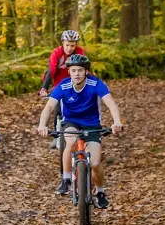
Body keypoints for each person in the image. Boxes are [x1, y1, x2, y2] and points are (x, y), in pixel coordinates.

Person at [36, 53, 124, 207]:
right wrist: (42, 125)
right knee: (71, 143)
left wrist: (116, 122)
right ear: (69, 72)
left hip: (92, 124)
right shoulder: (63, 86)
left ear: (86, 71)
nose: (77, 74)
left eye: (80, 70)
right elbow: (49, 107)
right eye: (73, 70)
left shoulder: (95, 84)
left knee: (95, 163)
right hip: (71, 122)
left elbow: (111, 103)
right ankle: (66, 179)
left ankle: (100, 191)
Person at [38, 30, 86, 97]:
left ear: (76, 45)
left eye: (72, 46)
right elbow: (51, 70)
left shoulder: (79, 52)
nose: (69, 49)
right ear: (63, 43)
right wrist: (44, 88)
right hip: (58, 85)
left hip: (75, 85)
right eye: (67, 45)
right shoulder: (57, 53)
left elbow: (84, 69)